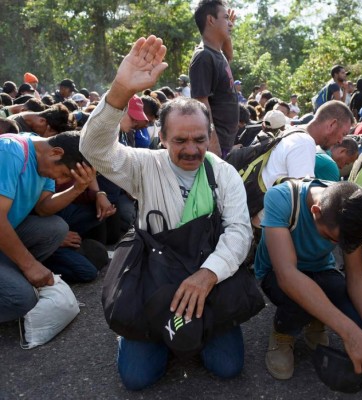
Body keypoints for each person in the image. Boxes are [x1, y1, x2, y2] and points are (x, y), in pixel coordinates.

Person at [80, 35, 252, 391]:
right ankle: (157, 330)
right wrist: (120, 91)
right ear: (162, 137)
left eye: (199, 140)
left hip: (209, 277)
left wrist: (208, 275)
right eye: (180, 141)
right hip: (154, 276)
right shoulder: (144, 166)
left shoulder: (223, 172)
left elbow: (239, 231)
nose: (191, 149)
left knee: (228, 366)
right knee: (137, 377)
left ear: (209, 135)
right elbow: (94, 149)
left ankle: (185, 328)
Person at [255, 178, 362, 380]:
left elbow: (356, 276)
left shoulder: (351, 206)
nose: (336, 244)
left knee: (358, 317)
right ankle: (283, 333)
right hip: (277, 272)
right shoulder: (282, 198)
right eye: (331, 239)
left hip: (321, 269)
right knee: (297, 301)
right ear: (315, 211)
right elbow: (287, 275)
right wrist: (350, 334)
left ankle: (316, 318)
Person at [0, 131, 95, 323]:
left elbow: (44, 209)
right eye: (64, 174)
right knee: (22, 299)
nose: (60, 181)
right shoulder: (10, 151)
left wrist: (77, 189)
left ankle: (11, 275)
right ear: (55, 153)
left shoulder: (43, 152)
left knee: (56, 227)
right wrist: (29, 265)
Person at [261, 101, 354, 190]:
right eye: (343, 134)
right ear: (332, 125)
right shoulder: (304, 143)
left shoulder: (293, 131)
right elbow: (300, 195)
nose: (341, 141)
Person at [189, 0, 238, 158]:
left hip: (225, 142)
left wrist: (227, 32)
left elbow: (230, 56)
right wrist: (213, 145)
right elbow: (201, 104)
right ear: (210, 20)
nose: (230, 22)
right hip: (216, 146)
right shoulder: (204, 57)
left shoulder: (217, 54)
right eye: (225, 18)